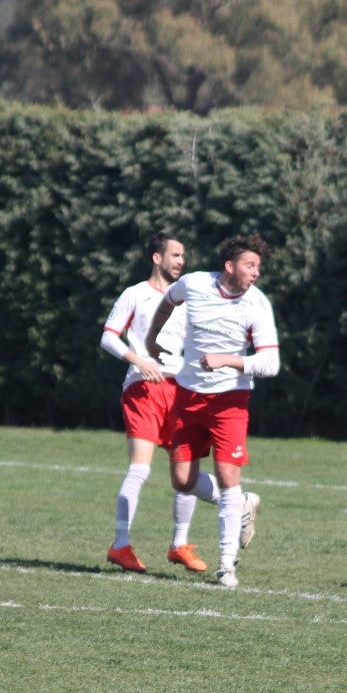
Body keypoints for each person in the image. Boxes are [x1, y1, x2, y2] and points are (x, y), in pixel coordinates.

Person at [100, 233, 259, 575]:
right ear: (156, 258)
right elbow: (108, 336)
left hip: (182, 390)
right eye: (174, 255)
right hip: (144, 388)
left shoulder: (190, 299)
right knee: (140, 469)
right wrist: (138, 360)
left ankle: (180, 544)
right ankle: (121, 543)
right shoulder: (136, 294)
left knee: (186, 470)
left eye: (182, 256)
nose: (180, 261)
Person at [145, 234, 280, 589]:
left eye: (258, 267)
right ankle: (242, 503)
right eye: (250, 265)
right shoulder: (195, 284)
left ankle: (226, 566)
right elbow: (168, 301)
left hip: (230, 402)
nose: (256, 273)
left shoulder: (257, 304)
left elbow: (270, 363)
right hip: (188, 396)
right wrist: (151, 339)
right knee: (182, 481)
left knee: (226, 475)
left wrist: (228, 361)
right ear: (229, 266)